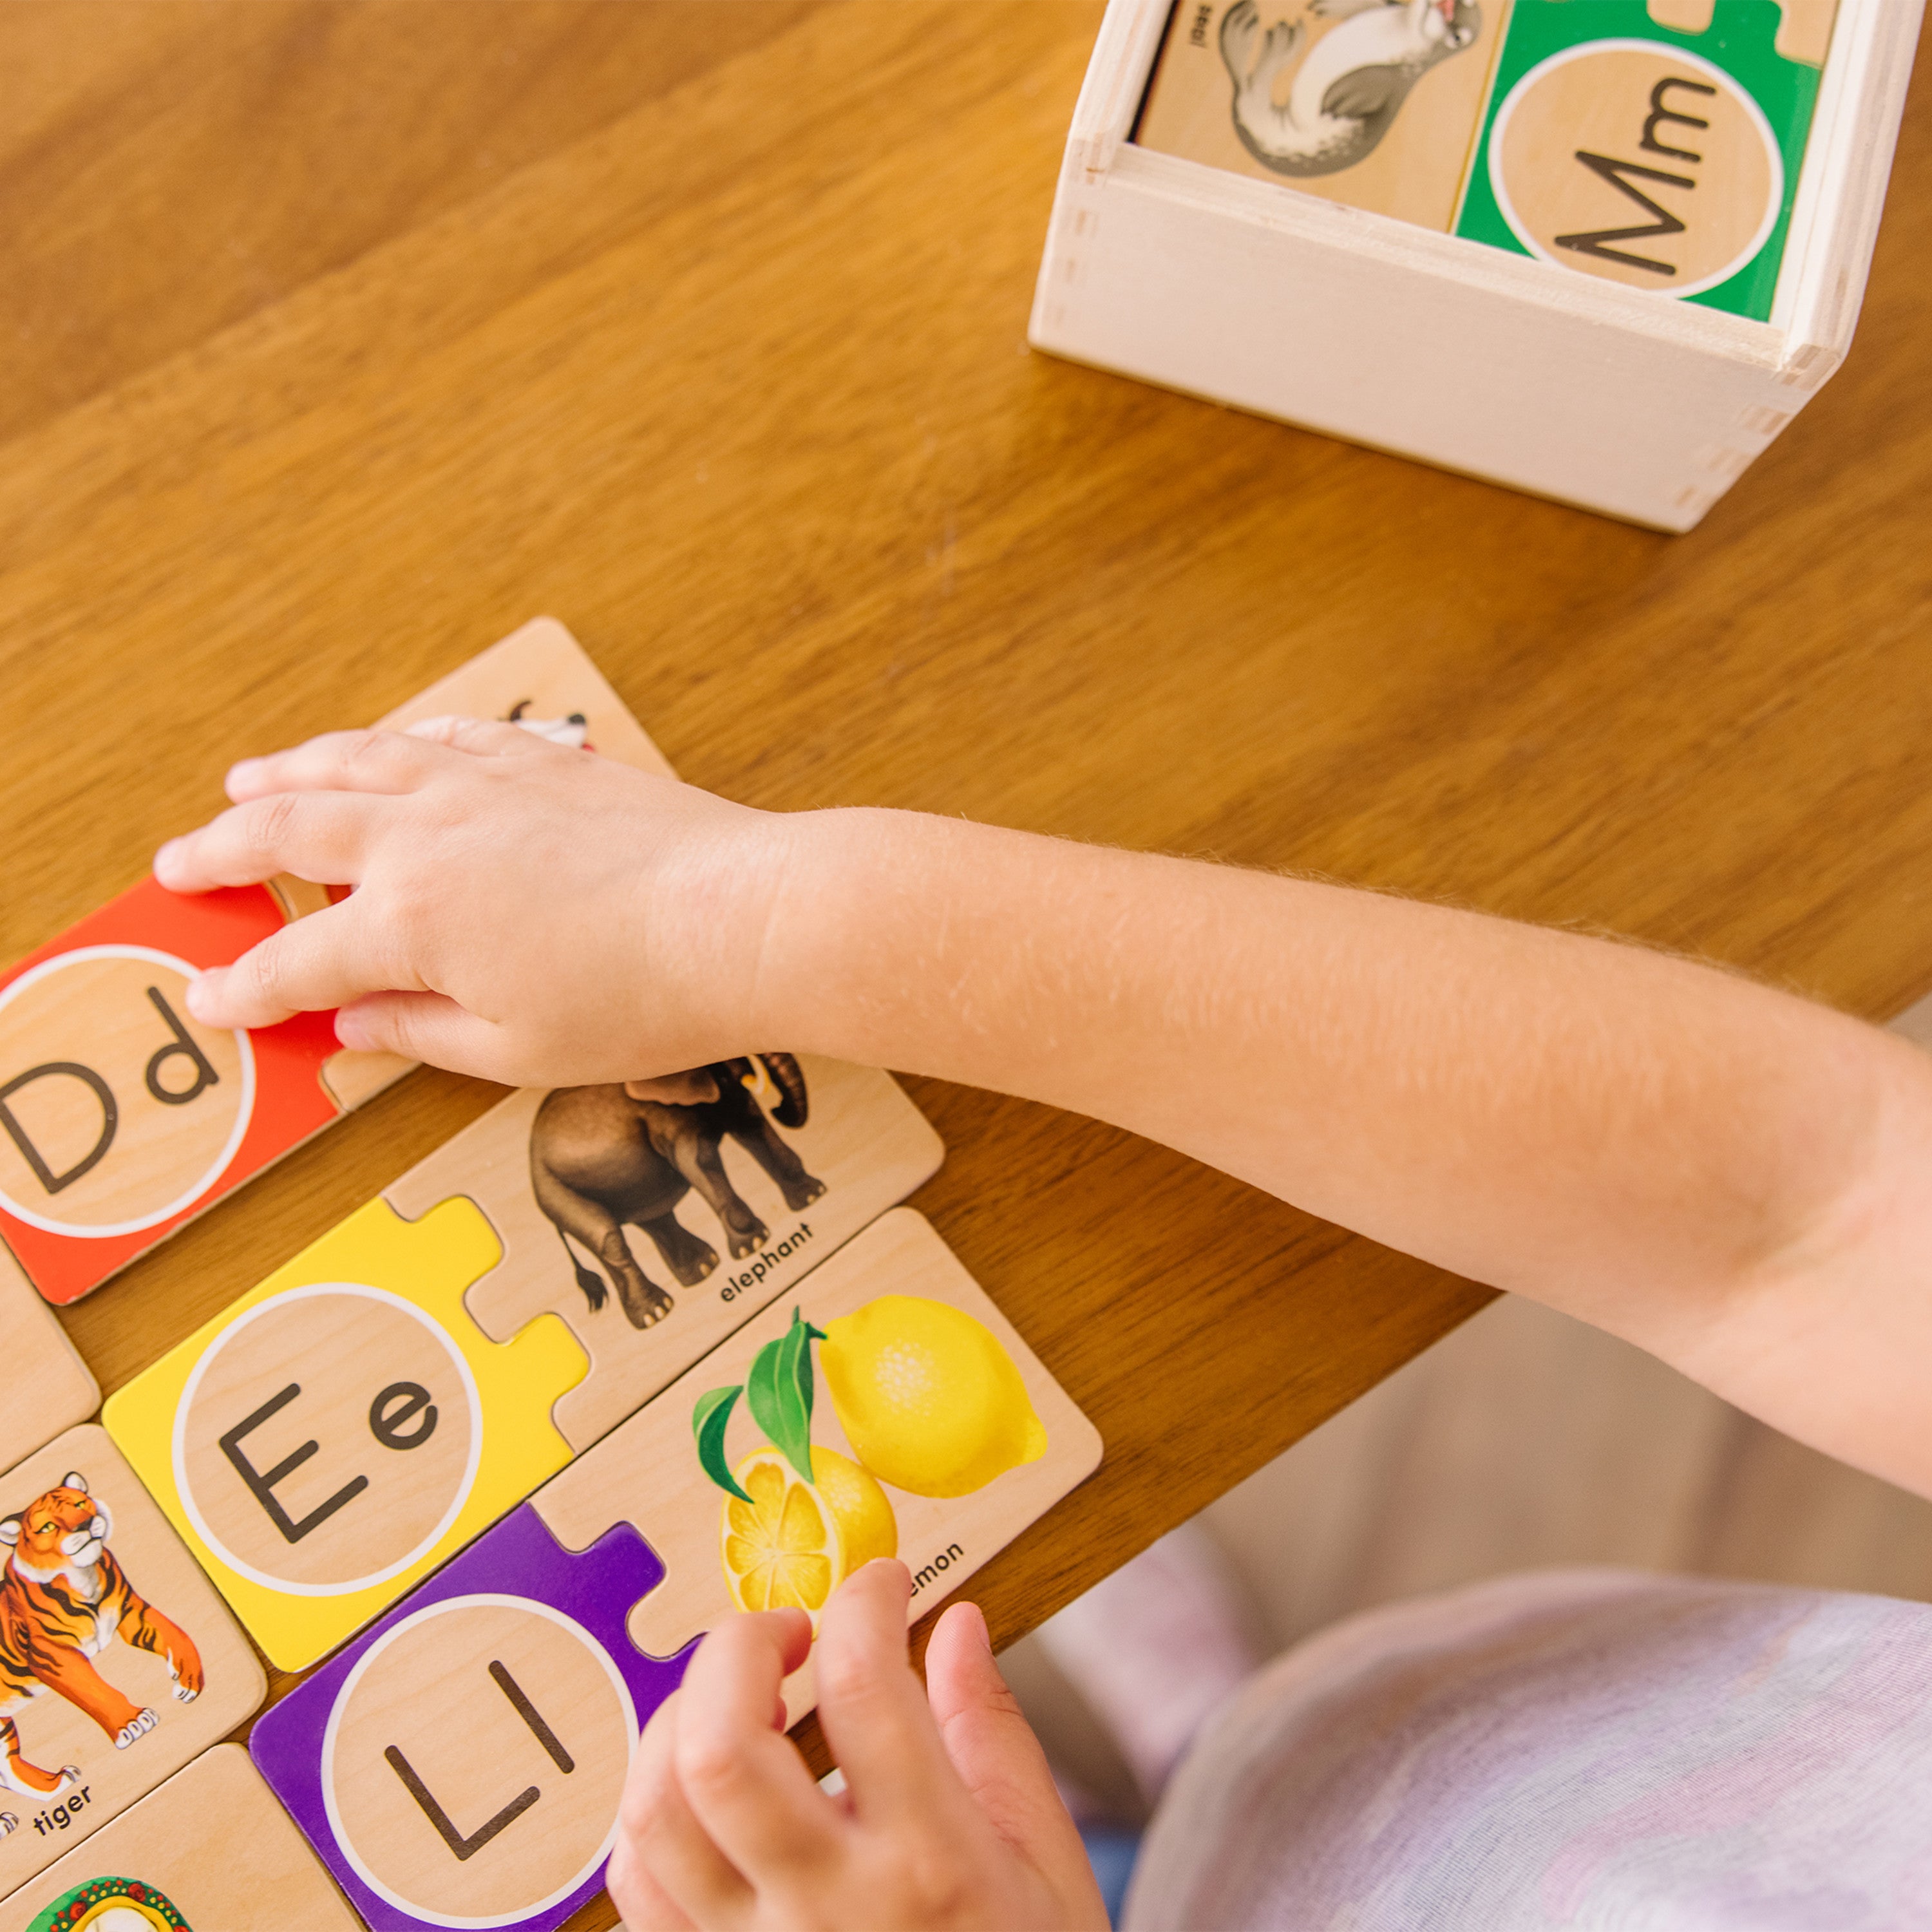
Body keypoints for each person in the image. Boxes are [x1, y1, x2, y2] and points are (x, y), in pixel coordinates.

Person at [155, 717, 1932, 1930]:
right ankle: (1201, 1759)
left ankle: (1140, 1822)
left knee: (977, 1845)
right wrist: (747, 911)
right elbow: (1812, 1207)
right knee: (1258, 1785)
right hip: (1544, 1748)